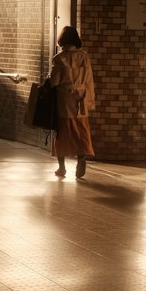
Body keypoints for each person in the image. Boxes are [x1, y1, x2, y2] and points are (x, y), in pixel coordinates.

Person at [49, 24, 96, 180]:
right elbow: (89, 80)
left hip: (64, 99)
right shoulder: (84, 56)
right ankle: (81, 157)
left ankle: (62, 167)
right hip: (82, 97)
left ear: (61, 40)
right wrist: (90, 100)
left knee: (61, 132)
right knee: (81, 130)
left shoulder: (59, 58)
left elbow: (54, 82)